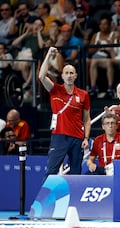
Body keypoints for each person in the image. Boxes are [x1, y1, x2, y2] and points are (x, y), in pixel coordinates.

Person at [38, 46, 91, 179]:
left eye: (71, 73)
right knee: (51, 171)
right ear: (62, 76)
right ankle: (45, 200)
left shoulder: (83, 94)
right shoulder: (55, 90)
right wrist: (49, 55)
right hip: (59, 136)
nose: (69, 75)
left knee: (75, 173)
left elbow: (87, 119)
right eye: (66, 73)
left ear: (75, 76)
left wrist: (86, 137)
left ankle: (73, 199)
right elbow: (41, 76)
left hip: (77, 138)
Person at [88, 15, 116, 98]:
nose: (103, 26)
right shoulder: (95, 35)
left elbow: (115, 51)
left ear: (109, 25)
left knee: (97, 62)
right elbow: (90, 51)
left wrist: (106, 50)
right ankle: (91, 88)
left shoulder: (113, 35)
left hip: (107, 58)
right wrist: (97, 47)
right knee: (88, 61)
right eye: (101, 24)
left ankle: (110, 88)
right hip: (96, 56)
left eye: (105, 24)